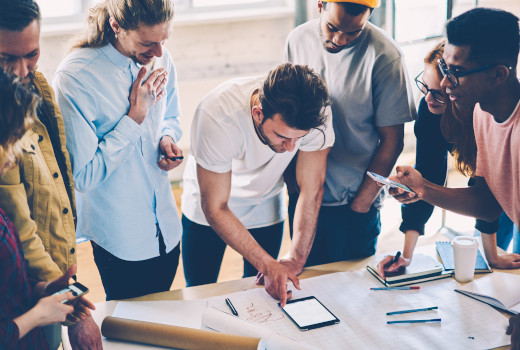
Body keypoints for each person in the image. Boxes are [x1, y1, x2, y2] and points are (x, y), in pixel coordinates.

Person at [385, 8, 520, 348]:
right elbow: (489, 204)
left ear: (499, 75)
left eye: (456, 73)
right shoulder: (482, 113)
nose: (444, 84)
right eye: (445, 68)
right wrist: (423, 187)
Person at [53, 0, 183, 301]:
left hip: (167, 228)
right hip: (121, 238)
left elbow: (172, 116)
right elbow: (83, 176)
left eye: (165, 40)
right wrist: (134, 118)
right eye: (148, 43)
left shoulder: (159, 56)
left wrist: (166, 137)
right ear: (116, 27)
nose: (159, 53)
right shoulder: (76, 78)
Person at [181, 63, 334, 305]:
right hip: (209, 205)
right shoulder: (217, 115)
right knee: (200, 290)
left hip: (265, 199)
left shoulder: (316, 111)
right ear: (257, 113)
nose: (291, 148)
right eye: (283, 136)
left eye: (299, 138)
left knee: (259, 289)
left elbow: (312, 189)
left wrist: (296, 257)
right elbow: (215, 207)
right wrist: (268, 263)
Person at [283, 0, 416, 266]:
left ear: (369, 16)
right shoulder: (297, 39)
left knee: (352, 293)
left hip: (352, 203)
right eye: (332, 27)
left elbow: (392, 140)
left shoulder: (386, 55)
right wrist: (291, 183)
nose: (340, 39)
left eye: (353, 32)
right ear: (320, 5)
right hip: (303, 195)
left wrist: (362, 203)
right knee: (304, 283)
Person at [0, 1, 101, 348]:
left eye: (32, 54)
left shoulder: (41, 88)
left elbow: (59, 198)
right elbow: (23, 227)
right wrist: (74, 309)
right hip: (22, 290)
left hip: (52, 283)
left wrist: (70, 294)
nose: (21, 70)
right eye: (5, 60)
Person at [377, 41, 520, 278]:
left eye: (439, 94)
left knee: (505, 262)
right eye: (425, 88)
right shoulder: (430, 109)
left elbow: (487, 196)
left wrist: (492, 254)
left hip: (509, 187)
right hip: (491, 194)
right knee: (485, 264)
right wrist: (407, 254)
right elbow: (428, 174)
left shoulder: (484, 115)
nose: (428, 99)